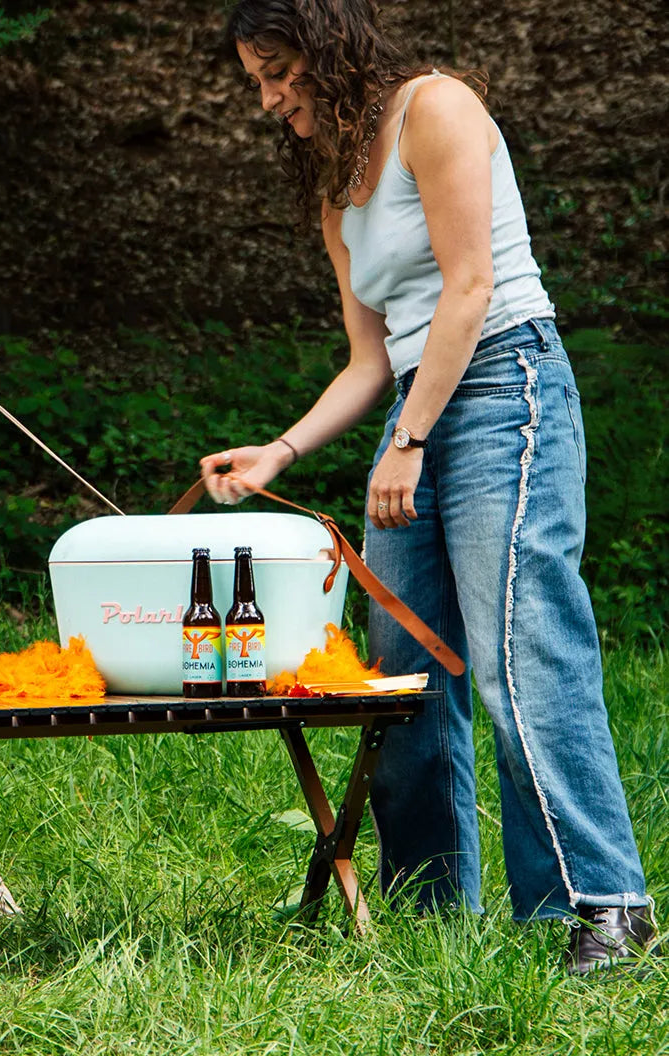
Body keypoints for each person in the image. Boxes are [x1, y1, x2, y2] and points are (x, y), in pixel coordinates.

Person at [201, 0, 656, 977]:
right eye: (257, 80)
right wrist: (277, 451)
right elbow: (369, 358)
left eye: (278, 71)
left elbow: (469, 288)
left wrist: (405, 442)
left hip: (505, 385)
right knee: (402, 671)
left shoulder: (434, 109)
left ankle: (600, 905)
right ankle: (430, 917)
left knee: (516, 645)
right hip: (418, 399)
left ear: (327, 50)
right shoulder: (337, 187)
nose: (271, 97)